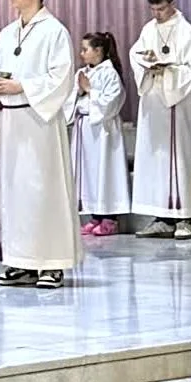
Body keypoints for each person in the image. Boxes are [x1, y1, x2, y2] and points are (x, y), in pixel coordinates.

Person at [0, 0, 79, 289]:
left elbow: (61, 77)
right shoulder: (7, 34)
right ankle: (20, 262)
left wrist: (21, 86)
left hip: (39, 121)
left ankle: (51, 264)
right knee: (14, 192)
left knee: (43, 190)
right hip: (11, 123)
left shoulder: (54, 31)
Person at [129, 0, 191, 240]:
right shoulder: (149, 29)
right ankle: (161, 217)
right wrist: (146, 63)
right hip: (152, 100)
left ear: (172, 4)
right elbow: (135, 54)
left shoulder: (185, 31)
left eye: (161, 9)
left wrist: (168, 70)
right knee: (154, 159)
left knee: (176, 157)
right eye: (153, 9)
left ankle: (183, 219)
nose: (156, 14)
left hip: (174, 100)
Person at [74, 31, 131, 236]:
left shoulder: (109, 73)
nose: (81, 54)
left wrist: (90, 90)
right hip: (85, 129)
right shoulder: (82, 73)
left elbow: (111, 103)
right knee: (90, 173)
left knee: (105, 171)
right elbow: (71, 99)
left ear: (98, 51)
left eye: (85, 49)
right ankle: (94, 215)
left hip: (103, 131)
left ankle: (110, 217)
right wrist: (79, 91)